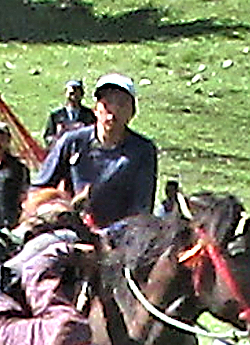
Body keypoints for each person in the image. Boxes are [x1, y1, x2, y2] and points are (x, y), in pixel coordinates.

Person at [31, 73, 157, 230]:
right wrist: (58, 208)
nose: (112, 112)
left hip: (119, 238)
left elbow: (141, 210)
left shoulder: (142, 151)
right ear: (95, 110)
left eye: (121, 104)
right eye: (107, 103)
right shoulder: (72, 142)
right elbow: (38, 189)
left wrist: (105, 235)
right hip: (69, 230)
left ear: (132, 112)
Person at [42, 79, 95, 147]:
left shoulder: (89, 115)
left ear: (81, 94)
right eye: (71, 93)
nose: (73, 94)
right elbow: (48, 137)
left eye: (76, 91)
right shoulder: (55, 116)